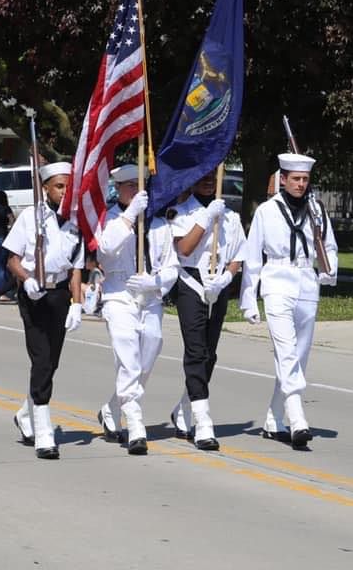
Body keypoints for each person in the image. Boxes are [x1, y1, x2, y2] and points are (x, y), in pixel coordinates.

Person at [239, 153, 339, 449]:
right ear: (282, 179)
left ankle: (274, 418)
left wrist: (328, 270)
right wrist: (248, 298)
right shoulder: (267, 212)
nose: (300, 184)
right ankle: (297, 419)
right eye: (295, 179)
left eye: (305, 179)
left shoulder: (317, 210)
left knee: (300, 355)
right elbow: (253, 258)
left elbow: (329, 246)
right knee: (285, 351)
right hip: (277, 280)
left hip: (307, 281)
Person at [95, 164, 179, 455]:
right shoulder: (109, 217)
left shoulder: (157, 223)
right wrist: (130, 216)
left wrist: (155, 281)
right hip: (118, 294)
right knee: (128, 358)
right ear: (118, 188)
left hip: (150, 296)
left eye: (139, 184)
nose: (135, 190)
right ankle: (135, 424)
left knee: (148, 354)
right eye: (129, 185)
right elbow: (105, 248)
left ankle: (111, 408)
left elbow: (172, 265)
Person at [3, 162, 85, 460]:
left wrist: (77, 303)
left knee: (51, 362)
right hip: (34, 294)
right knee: (40, 357)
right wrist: (26, 280)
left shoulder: (75, 221)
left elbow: (76, 267)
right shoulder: (30, 216)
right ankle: (44, 430)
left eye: (67, 186)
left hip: (60, 294)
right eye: (59, 186)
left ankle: (26, 415)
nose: (64, 192)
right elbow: (12, 259)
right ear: (47, 188)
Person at [166, 170, 246, 451]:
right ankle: (203, 423)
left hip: (218, 285)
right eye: (203, 176)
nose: (209, 180)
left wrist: (227, 277)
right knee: (196, 352)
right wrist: (205, 218)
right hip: (191, 285)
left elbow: (238, 254)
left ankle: (183, 409)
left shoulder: (230, 215)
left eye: (213, 176)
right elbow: (185, 249)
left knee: (210, 354)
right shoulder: (181, 212)